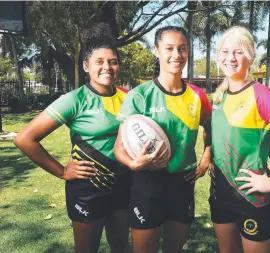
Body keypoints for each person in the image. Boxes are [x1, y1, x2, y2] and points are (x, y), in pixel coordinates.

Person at [14, 23, 131, 253]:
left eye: (112, 61)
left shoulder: (130, 98)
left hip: (123, 184)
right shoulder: (74, 100)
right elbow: (25, 139)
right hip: (87, 189)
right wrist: (61, 171)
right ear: (86, 66)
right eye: (99, 62)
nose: (107, 67)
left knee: (121, 246)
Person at [209, 26, 270, 253]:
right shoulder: (219, 96)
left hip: (251, 198)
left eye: (238, 52)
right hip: (220, 192)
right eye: (225, 52)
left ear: (251, 56)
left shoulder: (262, 94)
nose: (230, 58)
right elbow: (263, 136)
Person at [113, 26, 212, 253]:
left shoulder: (198, 96)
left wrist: (207, 156)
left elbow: (210, 126)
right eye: (169, 48)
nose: (176, 55)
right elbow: (119, 148)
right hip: (147, 182)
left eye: (182, 49)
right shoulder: (139, 95)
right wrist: (133, 164)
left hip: (182, 182)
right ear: (157, 50)